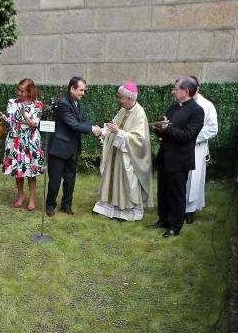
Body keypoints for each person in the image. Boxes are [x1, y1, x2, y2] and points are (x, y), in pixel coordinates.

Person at [92, 82, 153, 222]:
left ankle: (127, 212)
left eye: (121, 97)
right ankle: (106, 207)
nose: (119, 99)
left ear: (129, 98)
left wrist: (119, 133)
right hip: (116, 154)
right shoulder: (123, 110)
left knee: (127, 182)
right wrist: (102, 131)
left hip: (128, 157)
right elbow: (112, 125)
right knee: (111, 179)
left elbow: (139, 140)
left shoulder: (139, 114)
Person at [152, 77, 205, 237]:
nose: (173, 91)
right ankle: (163, 220)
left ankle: (175, 226)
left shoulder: (197, 111)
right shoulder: (173, 107)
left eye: (176, 89)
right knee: (163, 191)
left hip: (180, 160)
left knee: (177, 193)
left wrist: (167, 129)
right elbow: (165, 128)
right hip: (165, 157)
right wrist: (159, 128)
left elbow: (187, 135)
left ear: (186, 92)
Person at [46, 76, 100, 216]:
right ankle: (50, 206)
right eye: (81, 90)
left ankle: (66, 206)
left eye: (84, 90)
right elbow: (74, 125)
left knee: (70, 180)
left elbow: (82, 122)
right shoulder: (63, 103)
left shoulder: (77, 103)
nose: (83, 93)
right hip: (59, 149)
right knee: (55, 180)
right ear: (72, 89)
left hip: (72, 149)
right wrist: (92, 130)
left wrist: (100, 125)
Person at [1, 78, 46, 211]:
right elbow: (11, 122)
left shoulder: (37, 105)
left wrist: (24, 115)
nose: (19, 93)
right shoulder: (12, 102)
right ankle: (21, 196)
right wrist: (6, 121)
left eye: (22, 91)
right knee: (18, 171)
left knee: (31, 172)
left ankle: (32, 199)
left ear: (29, 92)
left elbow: (34, 124)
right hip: (15, 140)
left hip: (31, 141)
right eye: (18, 90)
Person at [185, 80, 218, 223]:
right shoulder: (182, 104)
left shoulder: (207, 105)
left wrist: (190, 135)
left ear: (196, 89)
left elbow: (212, 129)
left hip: (196, 147)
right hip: (180, 145)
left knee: (193, 179)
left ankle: (189, 210)